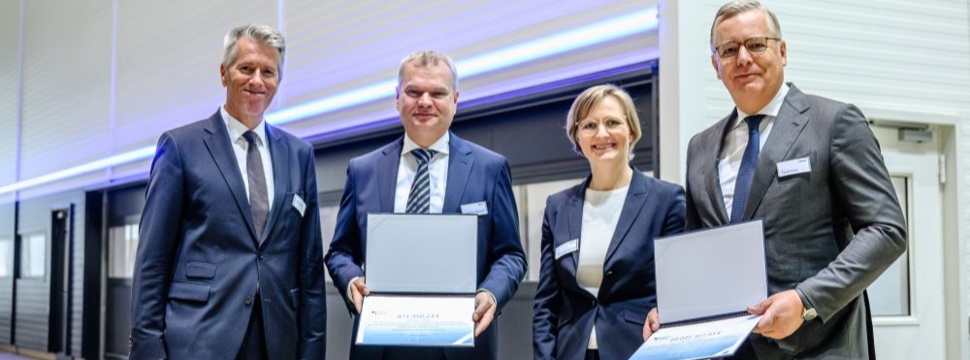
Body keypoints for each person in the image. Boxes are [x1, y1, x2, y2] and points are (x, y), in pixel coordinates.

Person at [643, 1, 907, 358]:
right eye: (729, 50)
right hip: (732, 350)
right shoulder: (700, 148)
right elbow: (699, 249)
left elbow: (886, 230)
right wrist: (674, 313)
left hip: (819, 344)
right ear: (715, 65)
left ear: (782, 52)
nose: (743, 58)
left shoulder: (833, 123)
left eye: (756, 44)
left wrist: (806, 299)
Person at [129, 24, 327, 360]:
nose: (257, 81)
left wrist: (312, 349)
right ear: (224, 73)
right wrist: (149, 349)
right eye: (246, 68)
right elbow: (152, 261)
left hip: (277, 341)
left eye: (268, 71)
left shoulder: (299, 155)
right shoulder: (181, 148)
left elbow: (309, 268)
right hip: (199, 339)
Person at [324, 51, 527, 360]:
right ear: (397, 97)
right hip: (381, 344)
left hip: (463, 342)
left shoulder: (490, 168)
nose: (425, 101)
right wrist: (352, 279)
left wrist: (491, 293)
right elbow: (339, 251)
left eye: (438, 93)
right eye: (414, 91)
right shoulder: (363, 170)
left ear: (455, 99)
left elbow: (511, 254)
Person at [532, 85, 685, 360]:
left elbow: (677, 295)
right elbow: (547, 303)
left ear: (632, 131)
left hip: (639, 351)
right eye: (589, 125)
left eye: (612, 122)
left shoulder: (666, 201)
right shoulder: (557, 207)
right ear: (577, 136)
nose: (601, 134)